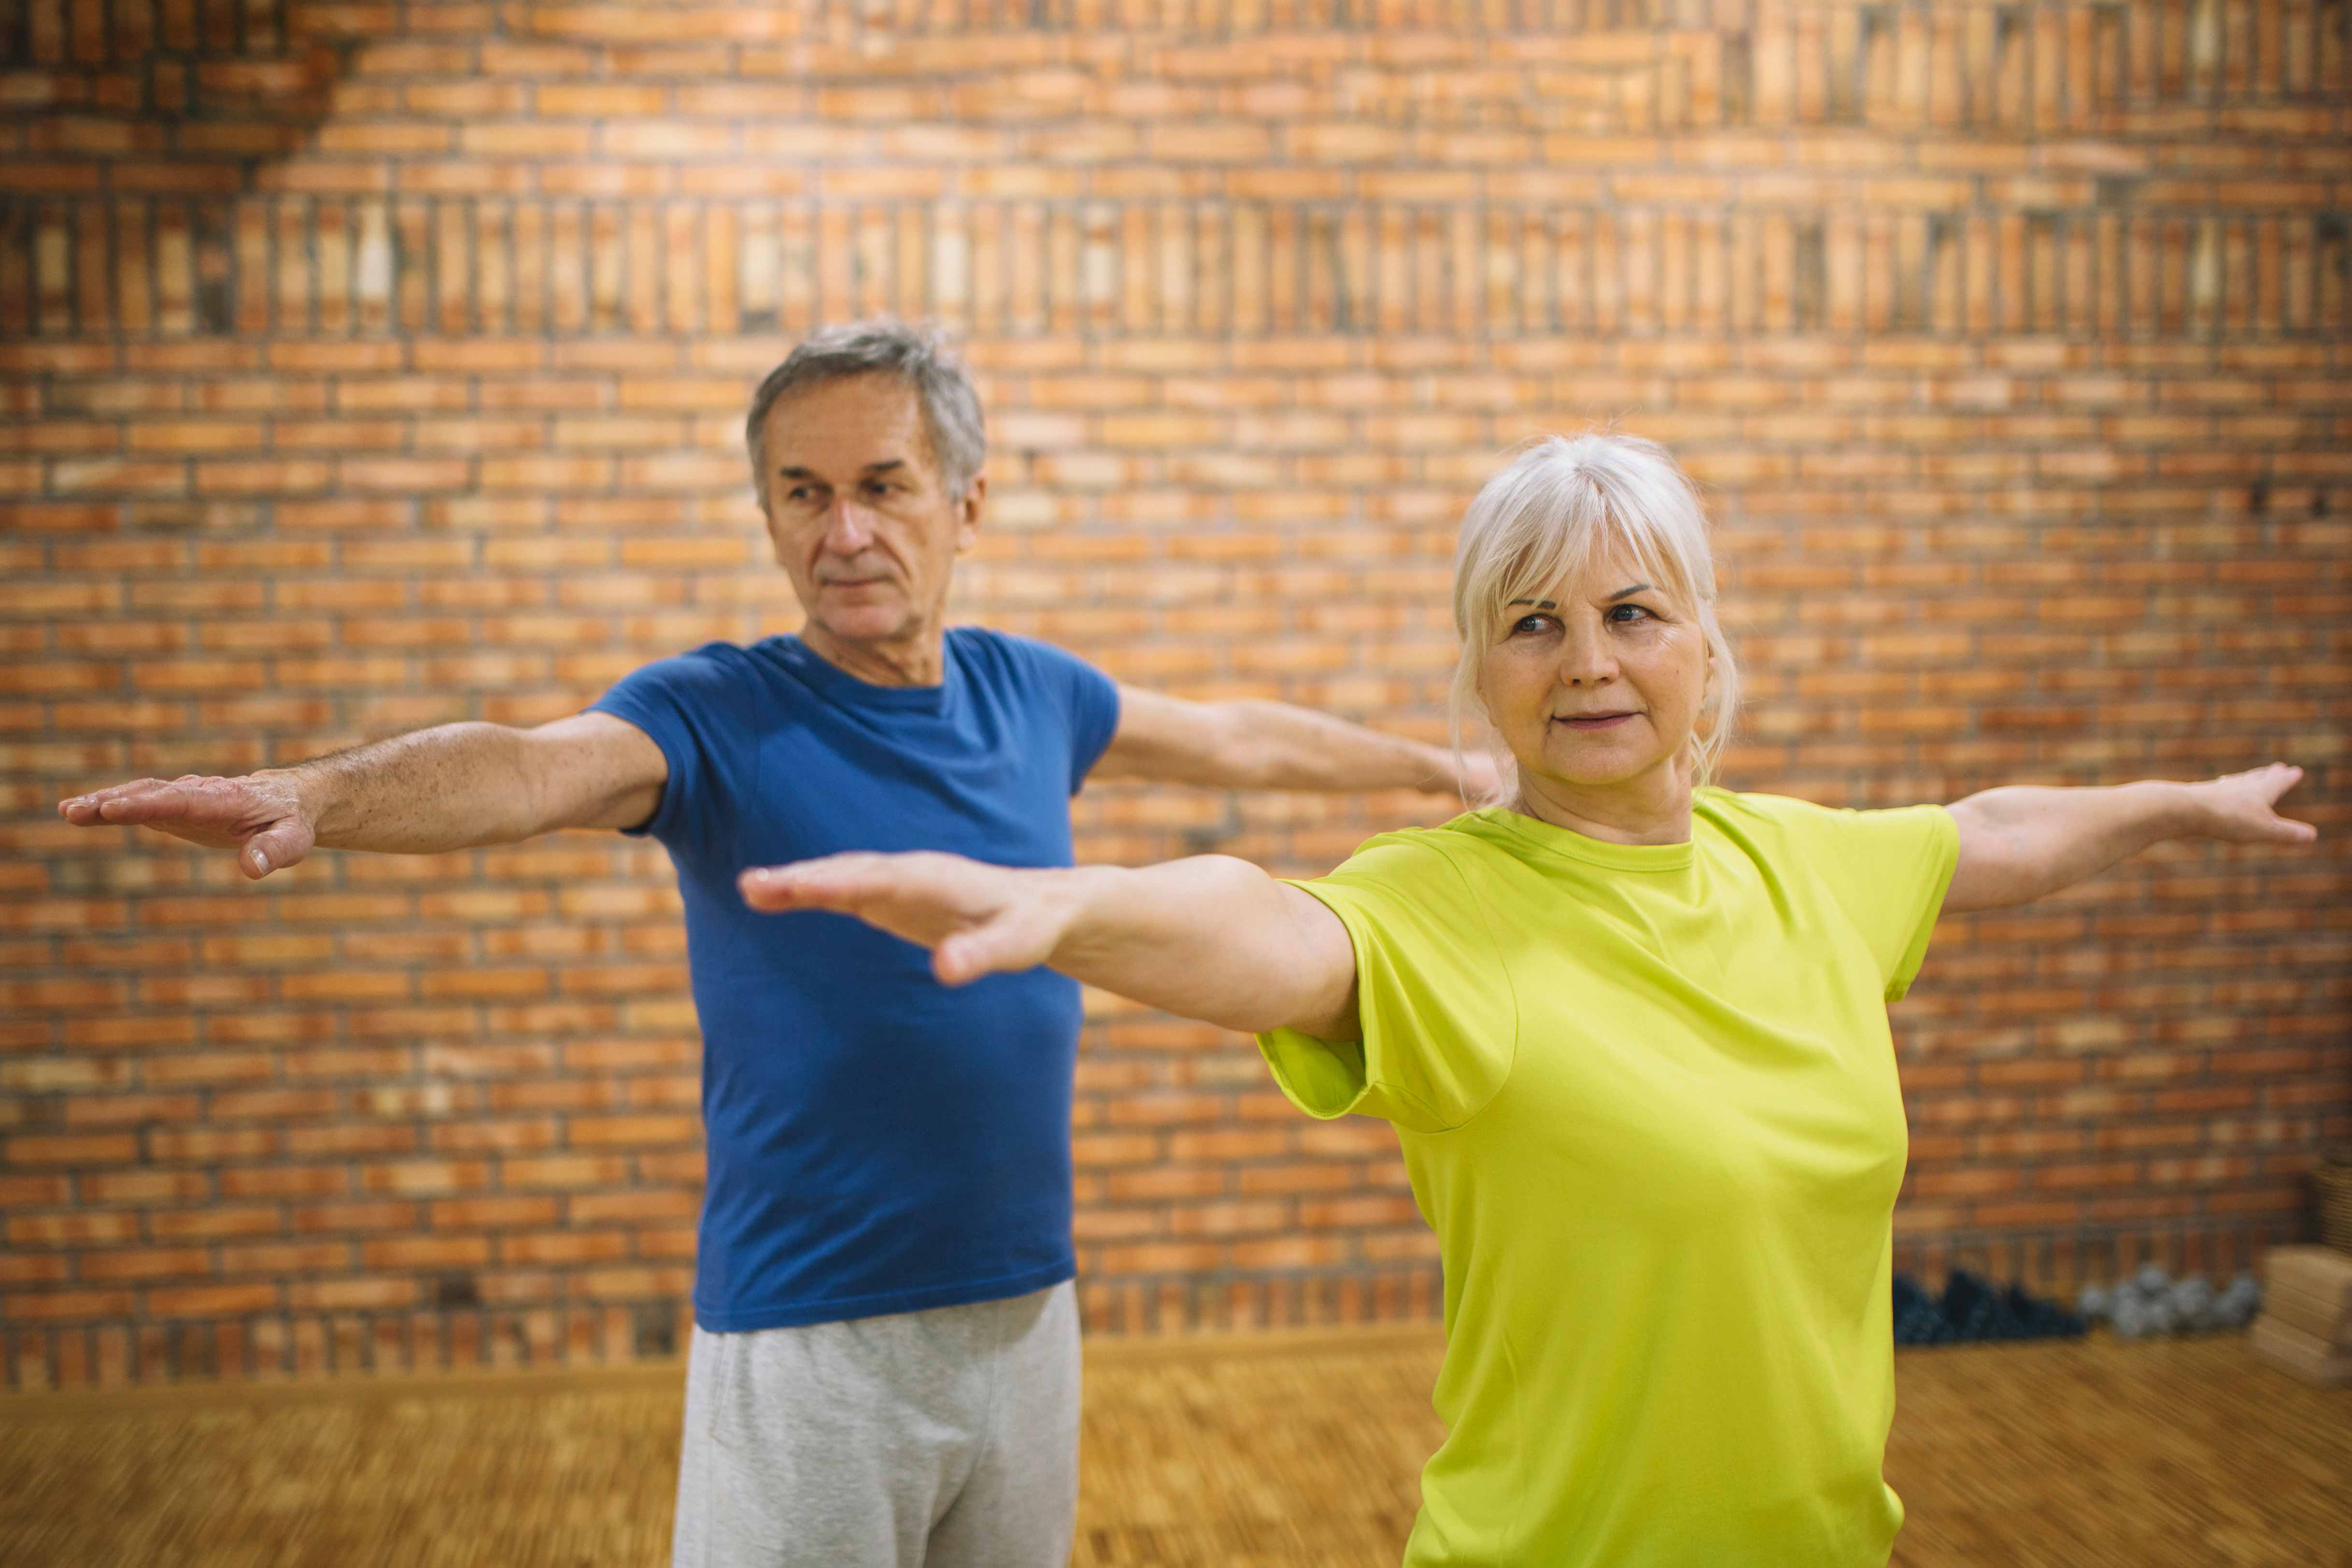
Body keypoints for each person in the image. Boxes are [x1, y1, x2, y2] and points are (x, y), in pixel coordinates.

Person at [738, 430, 2318, 1567]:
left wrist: (2177, 803)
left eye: (1633, 613)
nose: (1589, 664)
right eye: (1532, 623)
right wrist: (1078, 904)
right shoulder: (1449, 905)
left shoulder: (1803, 865)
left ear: (1704, 647)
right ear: (1482, 677)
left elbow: (1991, 833)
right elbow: (1268, 929)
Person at [56, 321, 1492, 1568]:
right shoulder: (712, 712)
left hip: (1024, 1309)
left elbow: (1233, 733)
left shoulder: (1032, 692)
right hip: (810, 1338)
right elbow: (526, 767)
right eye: (801, 495)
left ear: (967, 503)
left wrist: (1436, 772)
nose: (842, 532)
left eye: (881, 487)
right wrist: (319, 797)